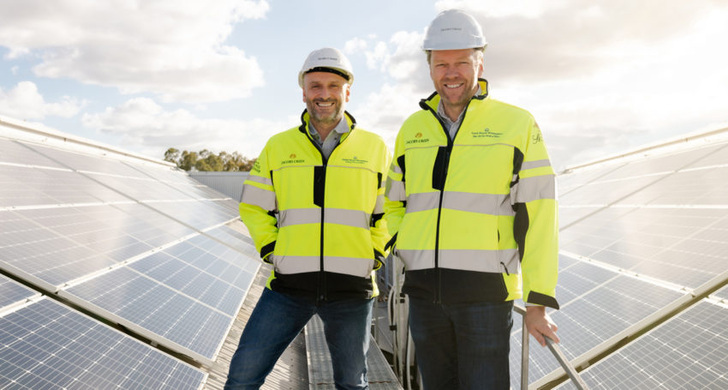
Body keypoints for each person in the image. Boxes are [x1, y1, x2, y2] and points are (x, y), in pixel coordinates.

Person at [384, 9, 560, 390]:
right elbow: (393, 203)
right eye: (441, 63)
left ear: (480, 62)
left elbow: (539, 214)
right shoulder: (411, 129)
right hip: (424, 295)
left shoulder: (517, 124)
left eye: (462, 62)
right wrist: (406, 245)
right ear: (429, 66)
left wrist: (537, 301)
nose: (451, 73)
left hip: (485, 297)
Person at [225, 47, 391, 390]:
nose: (324, 94)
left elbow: (391, 210)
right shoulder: (278, 146)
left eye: (333, 85)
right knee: (243, 375)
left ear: (348, 91)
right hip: (288, 287)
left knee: (351, 383)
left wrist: (374, 254)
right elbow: (253, 206)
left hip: (352, 289)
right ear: (303, 91)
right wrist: (272, 248)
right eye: (316, 86)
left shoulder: (375, 148)